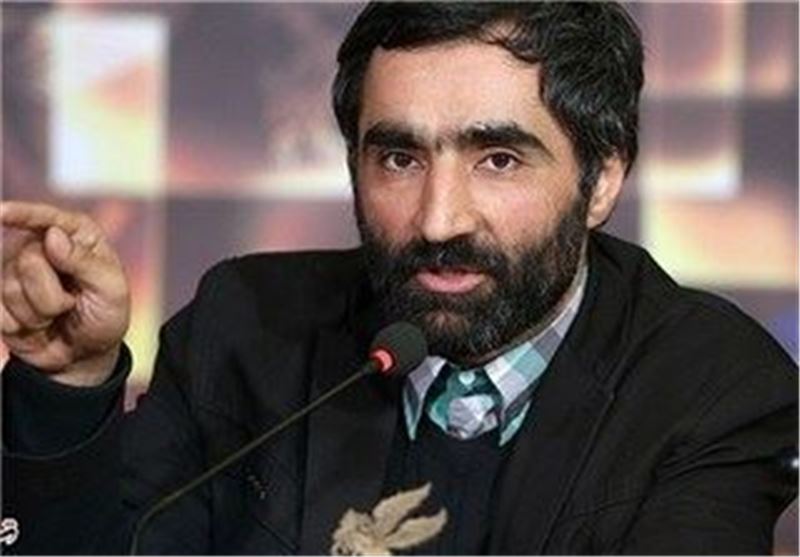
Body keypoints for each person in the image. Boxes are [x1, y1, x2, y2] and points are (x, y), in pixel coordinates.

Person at [2, 2, 797, 555]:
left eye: (498, 159)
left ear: (602, 179)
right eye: (399, 158)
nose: (438, 219)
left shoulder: (716, 388)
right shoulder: (246, 324)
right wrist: (68, 385)